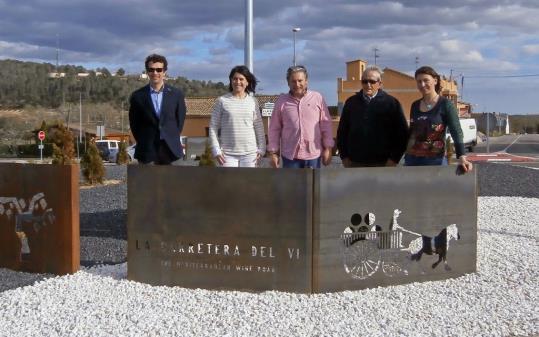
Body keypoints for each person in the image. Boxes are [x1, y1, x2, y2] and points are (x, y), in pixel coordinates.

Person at [404, 66, 473, 173]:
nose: (422, 85)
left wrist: (462, 157)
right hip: (412, 160)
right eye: (419, 81)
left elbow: (456, 131)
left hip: (435, 160)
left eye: (426, 80)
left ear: (435, 81)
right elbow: (412, 133)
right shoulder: (415, 105)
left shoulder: (446, 104)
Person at [337, 66, 409, 167]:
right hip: (355, 163)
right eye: (364, 81)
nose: (368, 85)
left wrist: (394, 159)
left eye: (372, 81)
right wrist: (344, 157)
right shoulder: (351, 103)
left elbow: (402, 134)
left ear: (380, 84)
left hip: (383, 163)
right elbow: (342, 132)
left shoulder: (391, 103)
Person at [267, 65, 334, 168]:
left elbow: (326, 124)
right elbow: (274, 129)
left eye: (300, 80)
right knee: (292, 185)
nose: (297, 84)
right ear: (288, 82)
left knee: (313, 184)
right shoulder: (282, 101)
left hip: (313, 156)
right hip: (290, 158)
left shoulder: (317, 98)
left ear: (306, 81)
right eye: (293, 81)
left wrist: (328, 148)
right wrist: (273, 153)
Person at [128, 54, 186, 165]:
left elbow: (180, 120)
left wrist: (170, 135)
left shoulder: (176, 94)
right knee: (147, 182)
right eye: (151, 69)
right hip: (147, 150)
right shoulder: (137, 96)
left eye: (159, 70)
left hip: (171, 150)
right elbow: (134, 124)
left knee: (173, 182)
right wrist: (143, 140)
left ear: (164, 72)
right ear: (147, 72)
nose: (155, 73)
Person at [208, 65, 266, 167]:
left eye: (241, 79)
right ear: (231, 81)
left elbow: (259, 126)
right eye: (235, 79)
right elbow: (213, 127)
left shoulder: (253, 101)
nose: (238, 82)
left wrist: (262, 149)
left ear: (247, 82)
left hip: (250, 154)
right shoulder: (221, 101)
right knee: (228, 183)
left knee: (249, 183)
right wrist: (216, 149)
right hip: (227, 155)